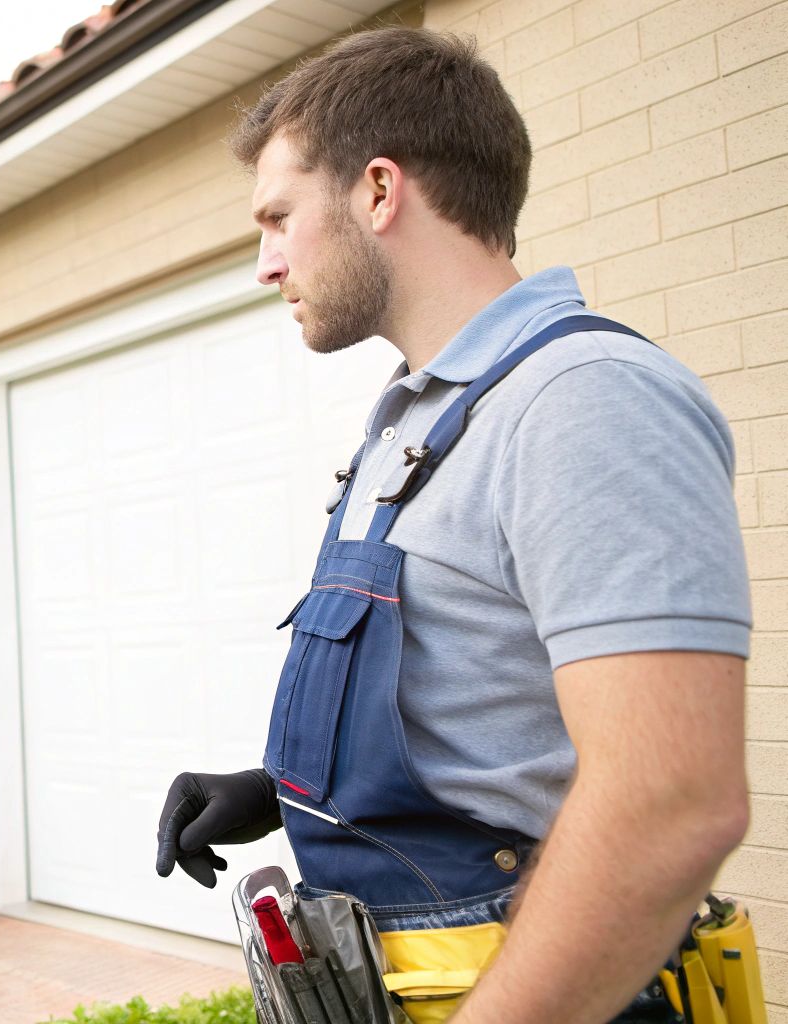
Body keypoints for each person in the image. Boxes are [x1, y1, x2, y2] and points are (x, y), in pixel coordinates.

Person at [152, 27, 751, 1024]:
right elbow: (483, 708)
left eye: (279, 217)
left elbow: (671, 804)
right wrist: (289, 793)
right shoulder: (418, 419)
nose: (265, 263)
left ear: (378, 192)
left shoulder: (580, 399)